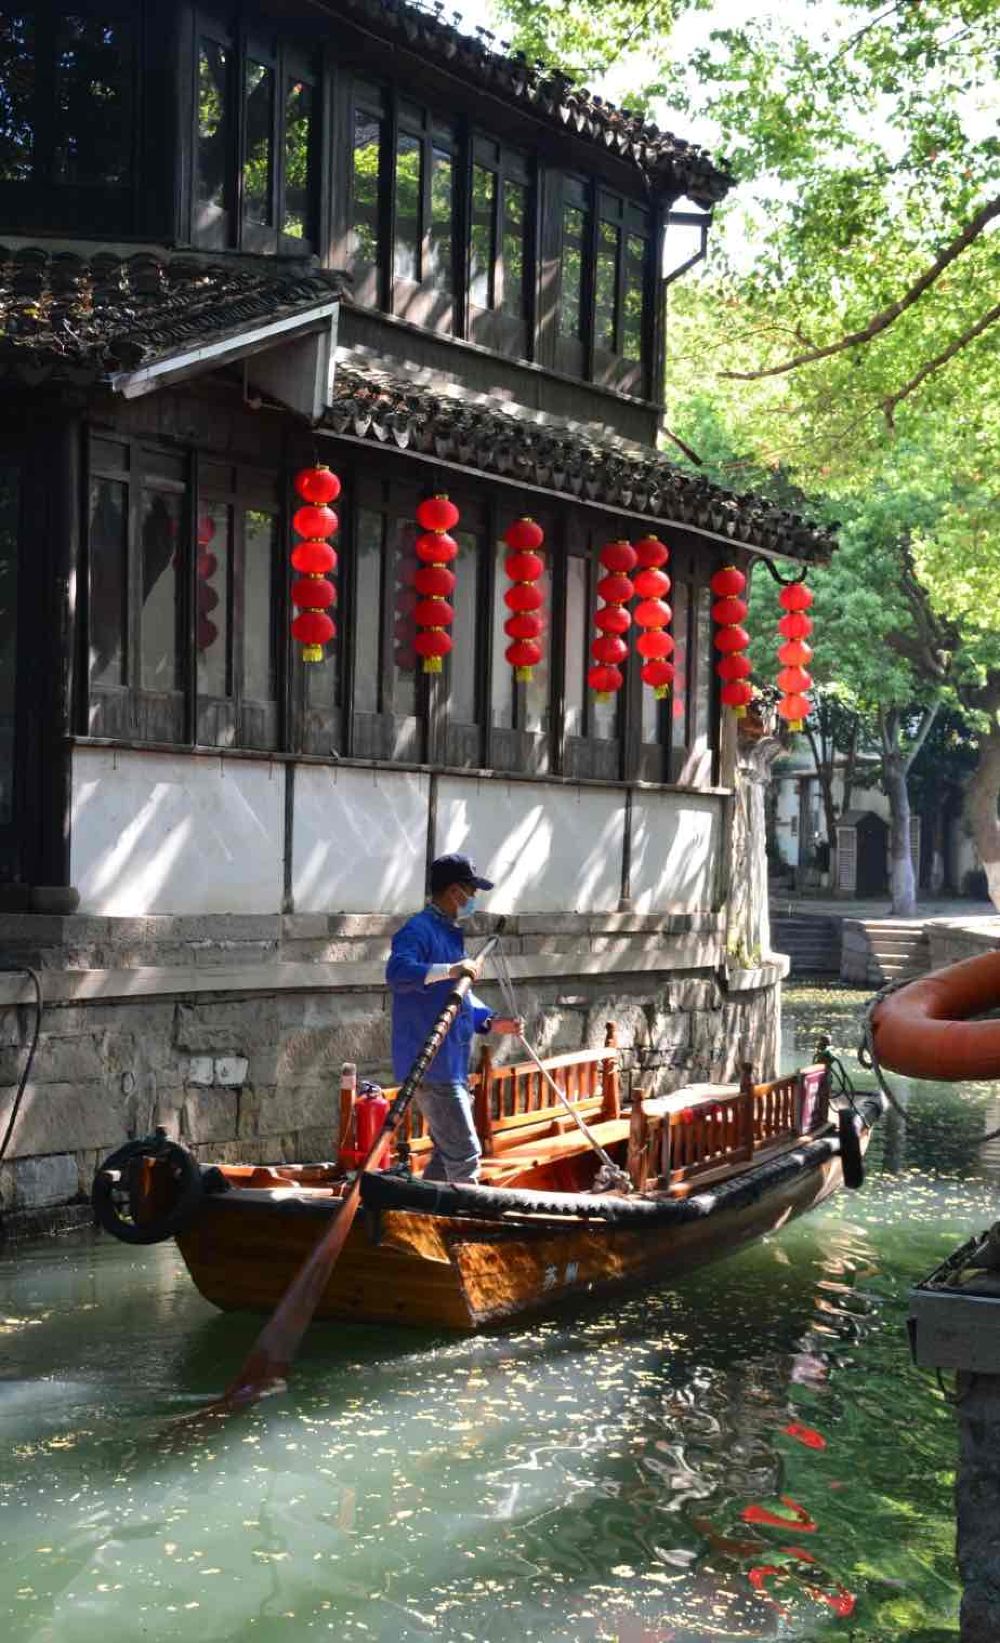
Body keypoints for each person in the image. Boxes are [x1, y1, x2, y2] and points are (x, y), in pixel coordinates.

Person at [385, 852, 521, 1183]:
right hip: (431, 1062)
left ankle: (424, 1208)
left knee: (447, 1155)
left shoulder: (448, 933)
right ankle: (464, 1213)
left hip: (450, 1062)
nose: (473, 899)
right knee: (465, 1156)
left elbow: (459, 996)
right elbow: (398, 972)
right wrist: (450, 969)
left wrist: (491, 1021)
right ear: (454, 892)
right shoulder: (418, 930)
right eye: (471, 891)